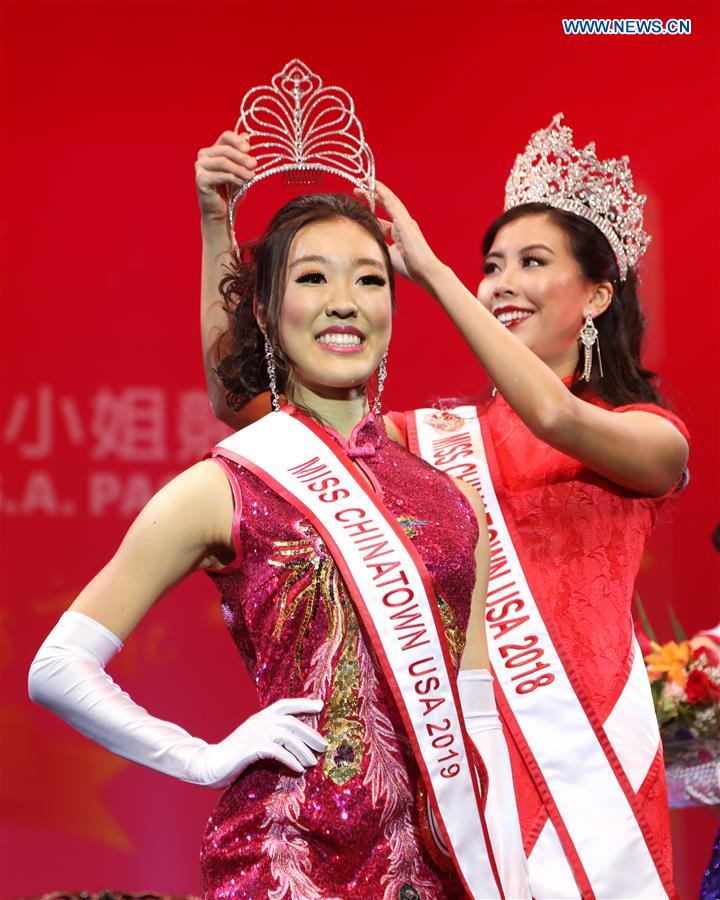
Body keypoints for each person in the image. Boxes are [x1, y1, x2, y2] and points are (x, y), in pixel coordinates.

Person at [196, 115, 689, 899]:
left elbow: (554, 417)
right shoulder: (426, 440)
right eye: (492, 266)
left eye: (532, 262)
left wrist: (429, 272)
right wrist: (215, 223)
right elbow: (246, 405)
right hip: (465, 765)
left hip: (591, 778)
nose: (501, 284)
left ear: (598, 294)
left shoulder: (651, 437)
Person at [29, 193, 529, 899]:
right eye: (313, 278)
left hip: (437, 867)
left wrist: (510, 879)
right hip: (287, 863)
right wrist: (202, 758)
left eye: (369, 279)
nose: (344, 302)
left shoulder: (452, 500)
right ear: (264, 312)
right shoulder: (225, 485)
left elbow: (476, 714)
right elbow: (57, 667)